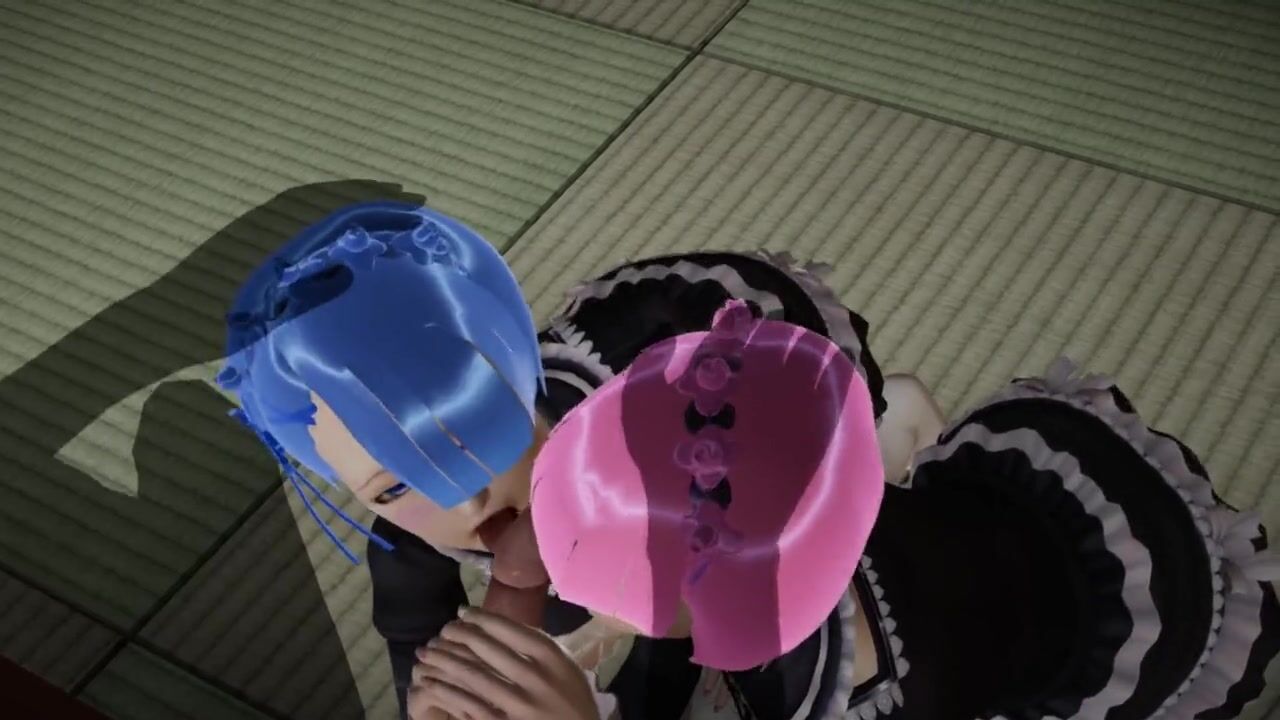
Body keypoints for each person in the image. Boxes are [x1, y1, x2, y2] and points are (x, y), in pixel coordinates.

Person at [218, 200, 942, 719]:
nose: (464, 500)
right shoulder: (418, 539)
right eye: (392, 486)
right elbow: (417, 638)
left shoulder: (659, 443)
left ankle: (892, 437)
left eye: (472, 433)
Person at [439, 348, 1280, 719]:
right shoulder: (752, 571)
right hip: (934, 542)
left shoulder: (860, 698)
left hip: (1092, 604)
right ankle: (896, 446)